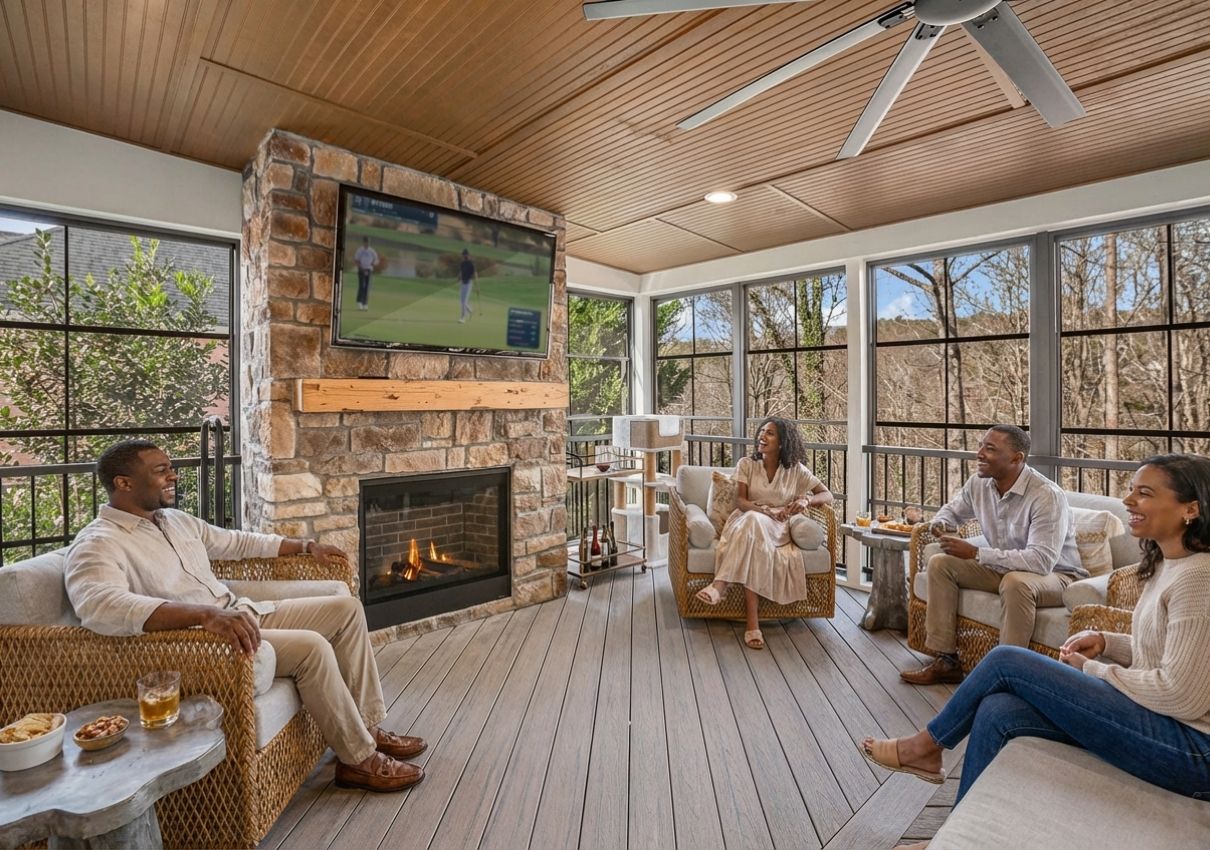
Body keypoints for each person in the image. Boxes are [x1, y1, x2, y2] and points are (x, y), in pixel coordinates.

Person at [862, 453, 1210, 845]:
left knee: (1006, 660)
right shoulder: (1166, 564)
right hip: (1161, 726)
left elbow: (1181, 695)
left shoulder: (1198, 579)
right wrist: (1109, 643)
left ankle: (925, 746)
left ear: (1191, 509)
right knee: (998, 710)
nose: (1128, 501)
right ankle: (955, 836)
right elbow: (1171, 652)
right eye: (1130, 491)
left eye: (1144, 493)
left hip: (1193, 752)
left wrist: (1091, 670)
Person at [65, 439, 426, 793]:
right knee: (311, 648)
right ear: (123, 483)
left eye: (171, 468)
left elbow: (237, 542)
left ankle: (365, 728)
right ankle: (358, 760)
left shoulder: (174, 521)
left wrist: (304, 546)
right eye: (161, 471)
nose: (173, 476)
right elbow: (100, 606)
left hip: (241, 614)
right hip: (203, 638)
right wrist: (204, 615)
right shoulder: (99, 542)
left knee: (346, 609)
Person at [900, 425, 1085, 685]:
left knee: (1016, 582)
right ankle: (946, 661)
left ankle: (1005, 676)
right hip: (1006, 568)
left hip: (1057, 576)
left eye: (990, 449)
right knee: (941, 563)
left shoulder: (1046, 496)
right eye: (981, 446)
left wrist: (977, 553)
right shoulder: (979, 483)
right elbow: (952, 511)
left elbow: (1040, 562)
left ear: (1016, 458)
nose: (980, 454)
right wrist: (940, 524)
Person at [693, 417, 833, 650]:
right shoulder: (747, 464)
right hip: (746, 518)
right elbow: (741, 501)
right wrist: (763, 511)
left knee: (755, 531)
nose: (762, 436)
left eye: (769, 433)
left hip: (777, 527)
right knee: (754, 525)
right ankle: (752, 624)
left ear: (782, 443)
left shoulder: (796, 470)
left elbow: (827, 495)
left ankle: (720, 585)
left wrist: (807, 500)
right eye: (762, 432)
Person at [353, 236, 378, 310]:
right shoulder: (360, 250)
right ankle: (359, 302)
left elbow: (376, 259)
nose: (367, 243)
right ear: (363, 242)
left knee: (367, 287)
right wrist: (360, 267)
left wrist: (373, 264)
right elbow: (356, 260)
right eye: (366, 242)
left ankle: (365, 303)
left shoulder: (372, 251)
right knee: (362, 286)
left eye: (368, 242)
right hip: (361, 270)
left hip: (369, 270)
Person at [458, 248, 476, 323]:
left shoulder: (471, 264)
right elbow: (461, 272)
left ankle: (463, 318)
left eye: (465, 254)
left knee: (464, 302)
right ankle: (470, 310)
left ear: (468, 255)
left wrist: (477, 287)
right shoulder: (462, 263)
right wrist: (459, 278)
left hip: (469, 283)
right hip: (463, 283)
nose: (464, 256)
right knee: (462, 301)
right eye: (463, 255)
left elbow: (475, 274)